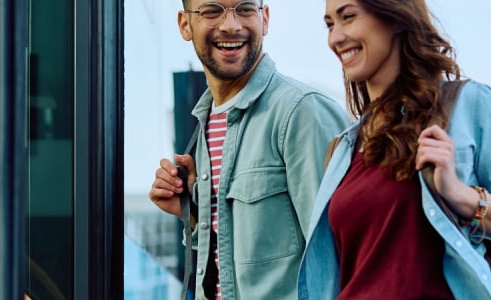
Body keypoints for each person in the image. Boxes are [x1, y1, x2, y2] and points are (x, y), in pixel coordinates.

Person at [299, 0, 491, 299]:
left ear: (395, 17)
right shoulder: (342, 149)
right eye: (330, 24)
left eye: (349, 17)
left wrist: (461, 195)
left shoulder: (467, 105)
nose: (335, 38)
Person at [148, 0, 351, 299]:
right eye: (212, 10)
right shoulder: (208, 121)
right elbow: (235, 261)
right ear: (184, 25)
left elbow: (342, 260)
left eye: (244, 9)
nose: (231, 25)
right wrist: (195, 212)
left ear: (264, 18)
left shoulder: (301, 112)